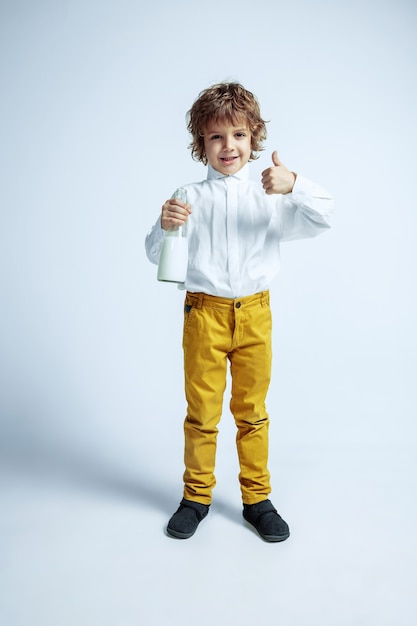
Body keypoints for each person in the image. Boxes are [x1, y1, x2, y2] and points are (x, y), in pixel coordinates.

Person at [145, 82, 333, 542]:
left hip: (255, 314)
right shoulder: (188, 195)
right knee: (202, 412)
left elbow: (323, 217)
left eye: (238, 135)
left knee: (252, 412)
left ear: (254, 139)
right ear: (201, 144)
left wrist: (296, 185)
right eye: (215, 137)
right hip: (204, 314)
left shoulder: (270, 194)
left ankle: (257, 498)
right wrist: (164, 226)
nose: (228, 146)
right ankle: (196, 497)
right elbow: (157, 254)